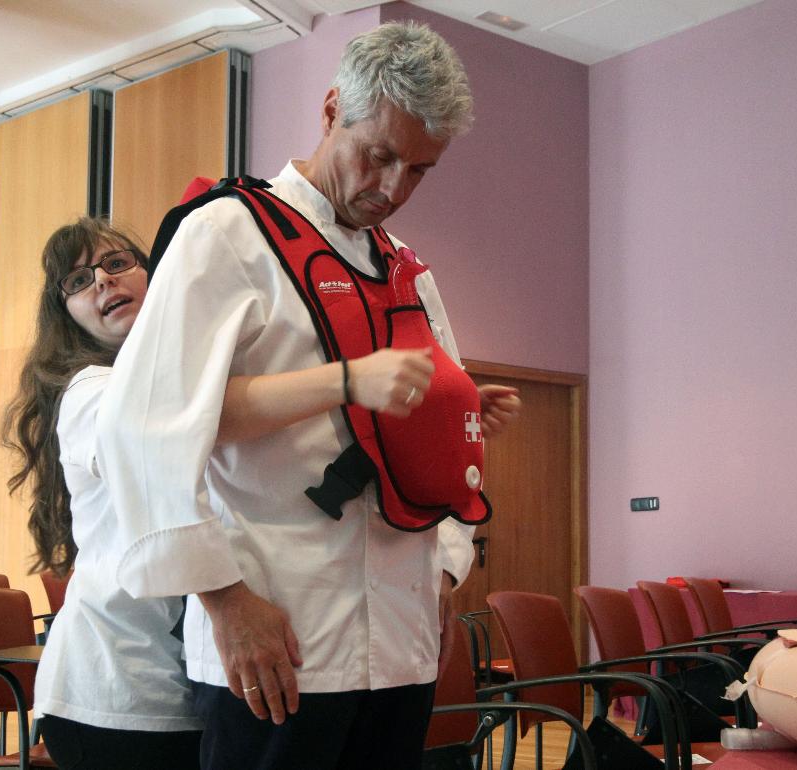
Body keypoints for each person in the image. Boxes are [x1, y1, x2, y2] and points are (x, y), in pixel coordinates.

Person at [95, 21, 520, 769]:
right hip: (278, 639)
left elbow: (441, 434)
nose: (392, 188)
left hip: (402, 643)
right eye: (379, 155)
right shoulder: (226, 236)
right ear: (331, 112)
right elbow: (145, 425)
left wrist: (446, 567)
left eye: (419, 170)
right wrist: (223, 600)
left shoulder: (410, 274)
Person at [4, 218, 202, 769]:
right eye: (78, 281)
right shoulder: (94, 391)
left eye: (117, 264)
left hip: (187, 685)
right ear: (66, 313)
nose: (103, 283)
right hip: (116, 694)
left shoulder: (178, 374)